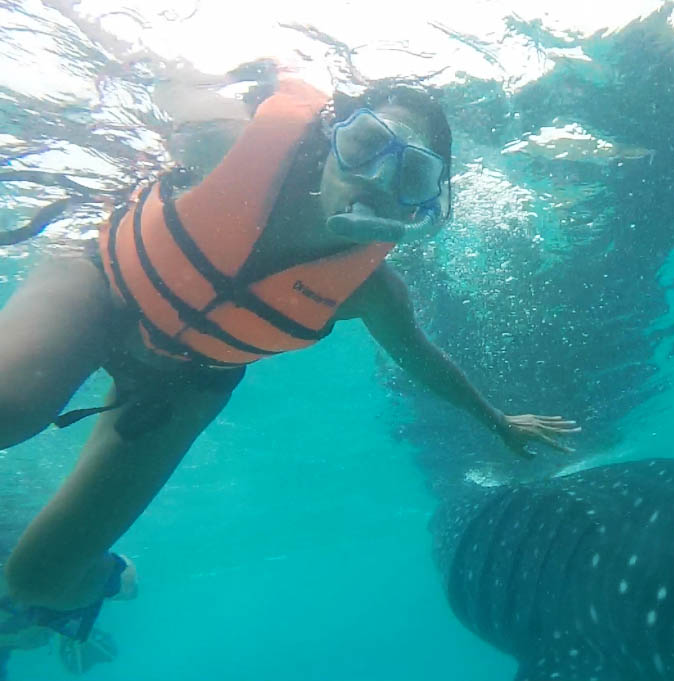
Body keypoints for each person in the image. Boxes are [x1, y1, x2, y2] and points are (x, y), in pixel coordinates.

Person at [0, 74, 579, 639]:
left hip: (180, 384)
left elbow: (420, 359)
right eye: (365, 145)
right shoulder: (227, 143)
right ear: (330, 135)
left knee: (37, 580)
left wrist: (496, 421)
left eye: (409, 173)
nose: (377, 178)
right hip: (99, 285)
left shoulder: (369, 289)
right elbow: (160, 85)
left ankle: (106, 582)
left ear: (420, 202)